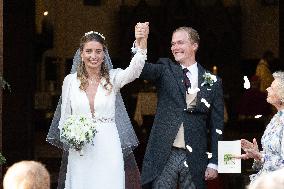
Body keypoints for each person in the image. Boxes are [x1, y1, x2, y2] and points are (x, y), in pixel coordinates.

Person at [47, 23, 149, 189]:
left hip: (109, 144)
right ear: (81, 54)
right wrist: (72, 137)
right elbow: (64, 119)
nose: (93, 56)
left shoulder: (113, 78)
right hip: (80, 148)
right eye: (88, 51)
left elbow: (134, 71)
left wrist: (141, 42)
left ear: (104, 54)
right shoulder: (70, 82)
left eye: (98, 51)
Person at [135, 25, 224, 188]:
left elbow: (217, 125)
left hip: (195, 156)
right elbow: (141, 70)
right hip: (164, 154)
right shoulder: (165, 68)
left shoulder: (211, 80)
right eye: (172, 44)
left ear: (194, 45)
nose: (175, 47)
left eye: (180, 43)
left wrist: (215, 162)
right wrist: (141, 43)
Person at [237, 71, 284, 183]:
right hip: (267, 180)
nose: (267, 89)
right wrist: (257, 154)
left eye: (272, 88)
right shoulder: (276, 118)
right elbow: (273, 154)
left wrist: (261, 156)